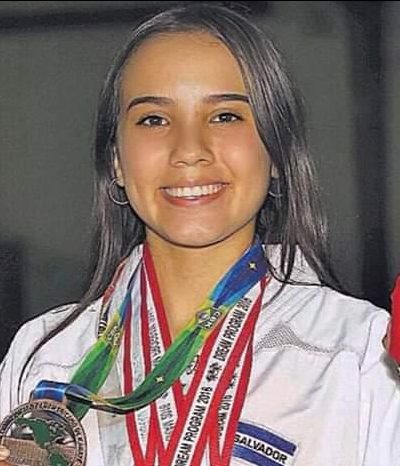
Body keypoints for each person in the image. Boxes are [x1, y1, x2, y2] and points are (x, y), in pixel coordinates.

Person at [0, 3, 399, 466]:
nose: (189, 150)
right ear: (116, 162)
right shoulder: (45, 357)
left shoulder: (357, 356)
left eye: (226, 116)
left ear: (276, 152)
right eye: (153, 119)